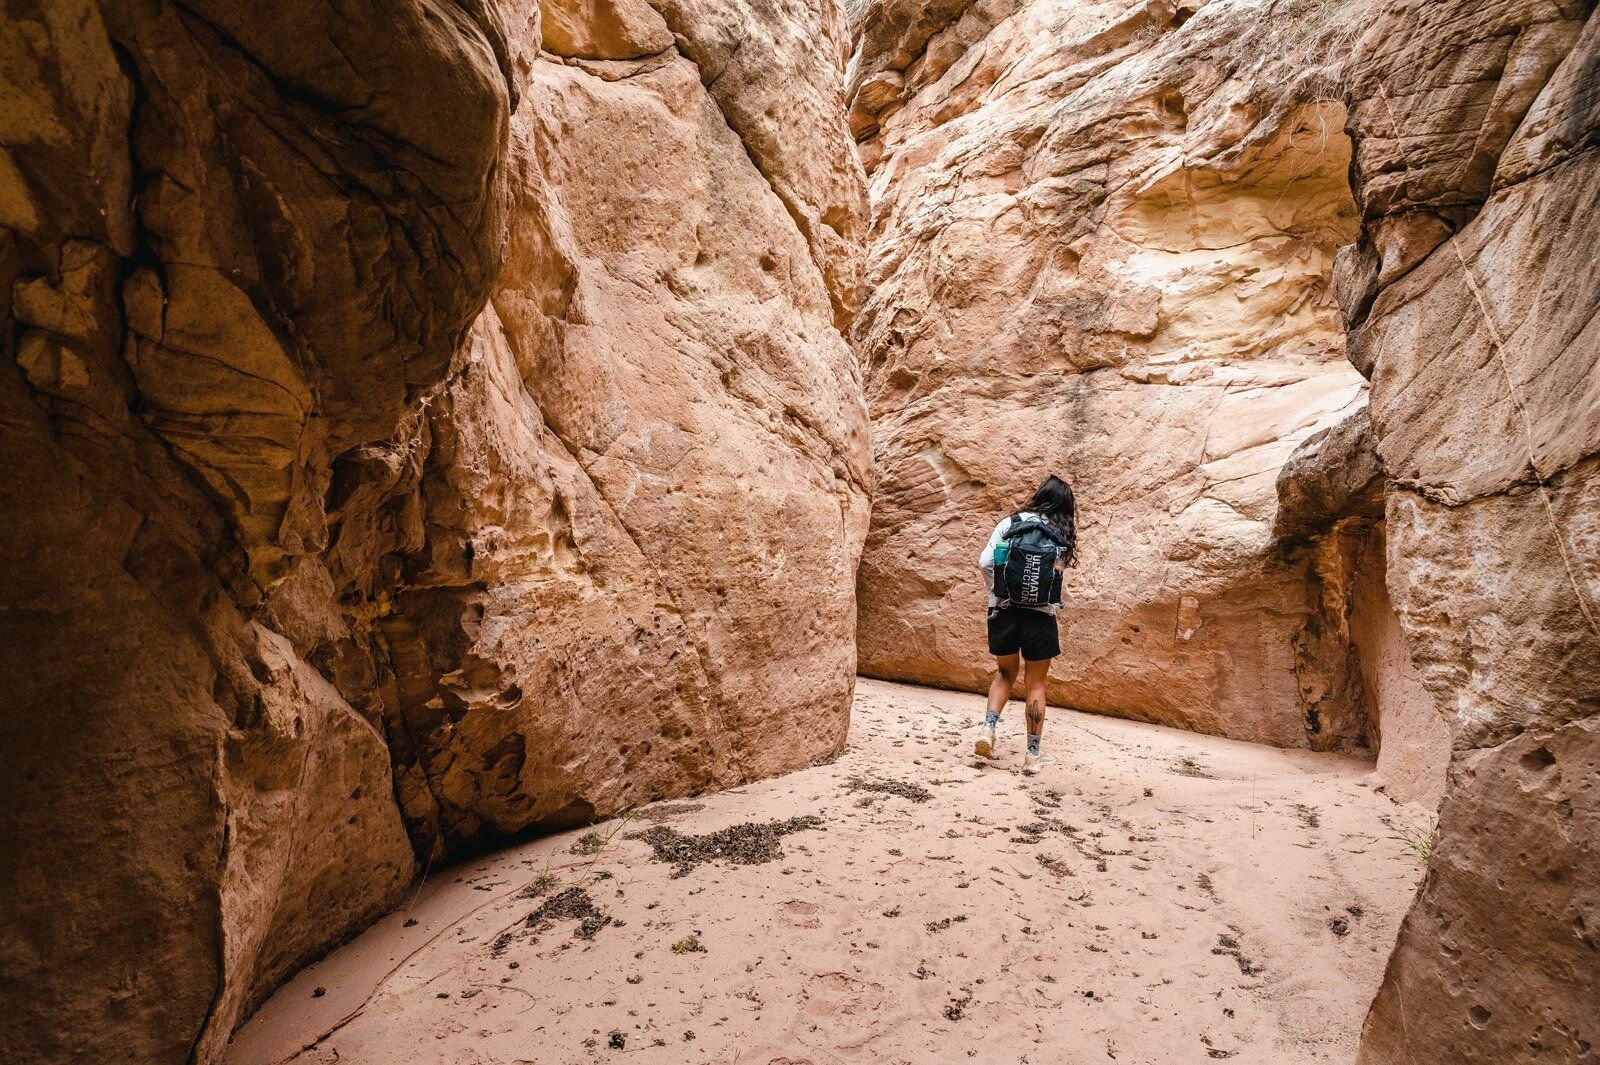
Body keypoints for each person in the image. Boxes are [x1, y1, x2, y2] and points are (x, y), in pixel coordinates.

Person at [975, 474, 1077, 774]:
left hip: (1003, 612)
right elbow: (1055, 580)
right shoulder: (1060, 533)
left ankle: (987, 731)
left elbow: (984, 562)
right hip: (1040, 617)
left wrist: (998, 592)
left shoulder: (1011, 523)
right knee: (1036, 683)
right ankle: (1033, 753)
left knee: (1005, 672)